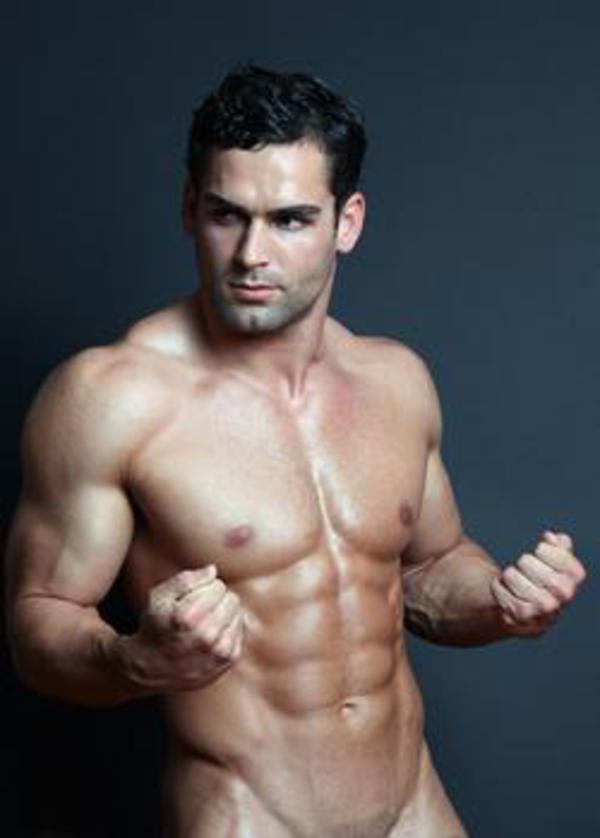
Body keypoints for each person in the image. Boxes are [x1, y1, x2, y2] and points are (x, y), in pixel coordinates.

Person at [5, 65, 586, 838]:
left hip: (411, 806)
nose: (252, 253)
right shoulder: (110, 398)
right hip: (248, 814)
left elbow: (428, 569)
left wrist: (502, 604)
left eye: (289, 220)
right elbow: (38, 623)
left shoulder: (396, 380)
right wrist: (133, 659)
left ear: (347, 222)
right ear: (189, 207)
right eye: (227, 215)